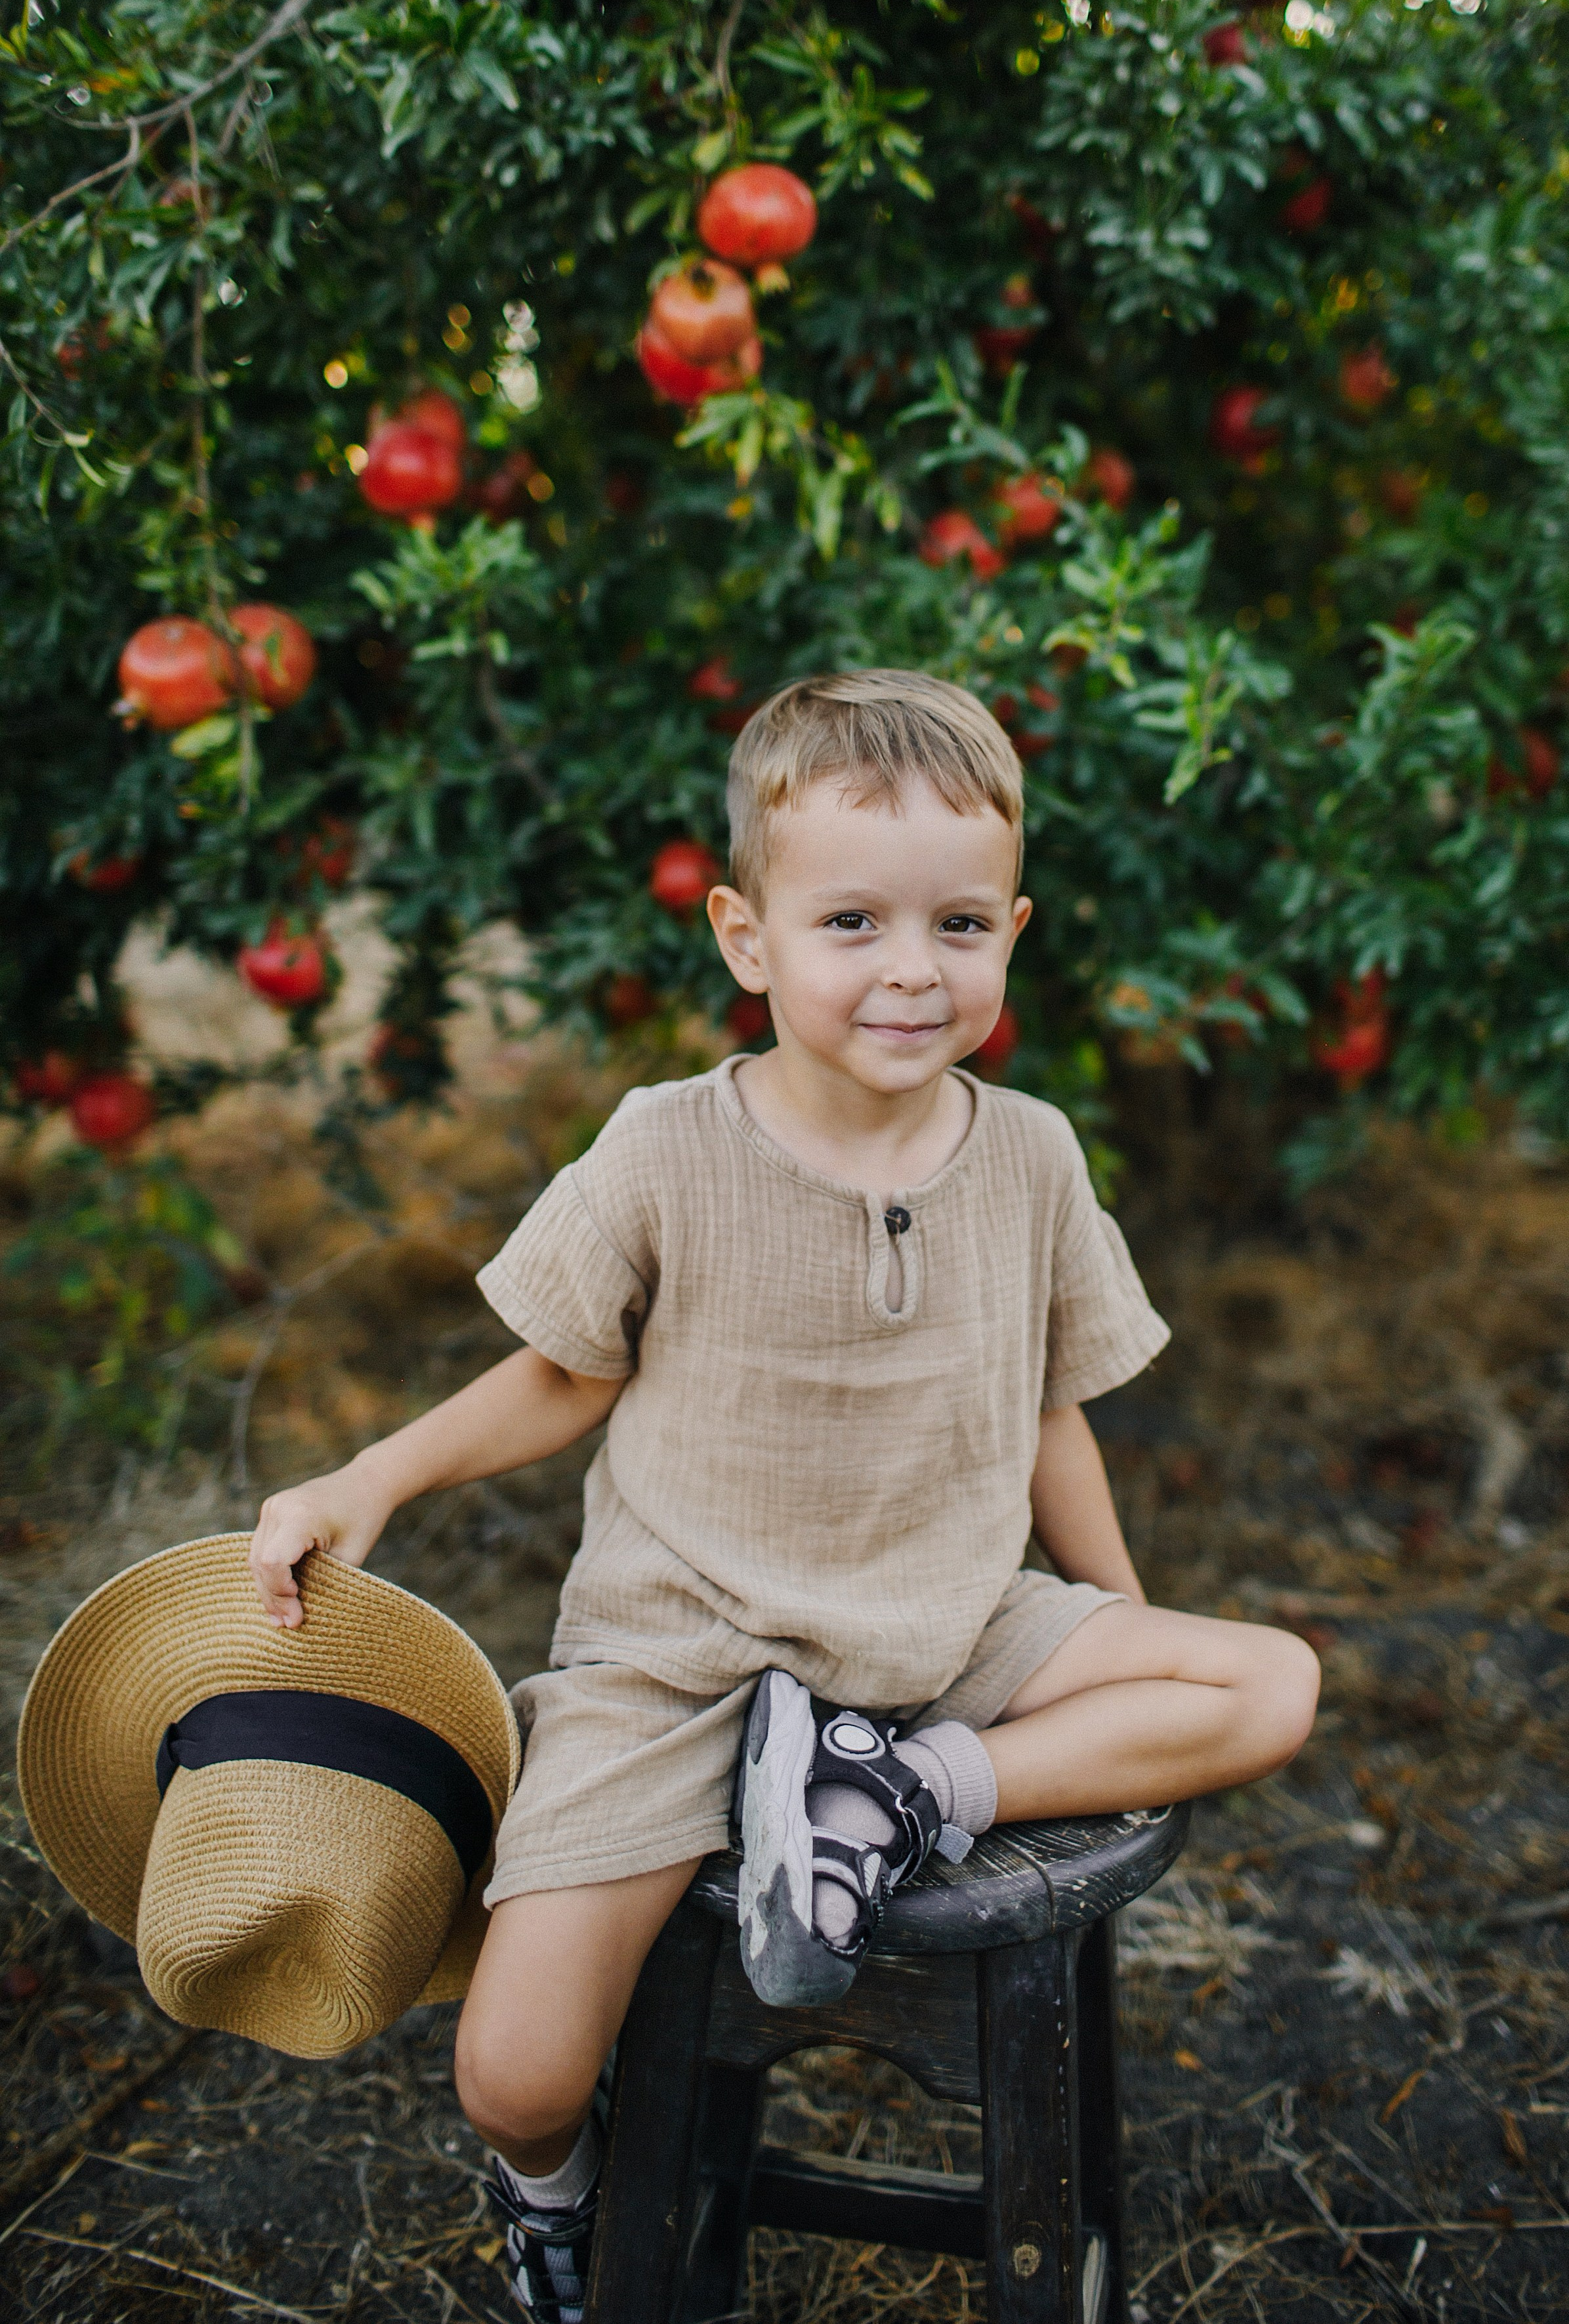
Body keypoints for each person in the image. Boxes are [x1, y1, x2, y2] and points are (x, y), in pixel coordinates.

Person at [249, 669, 1320, 2322]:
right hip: (678, 1658)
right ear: (747, 940)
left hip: (948, 1633)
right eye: (850, 924)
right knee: (513, 2073)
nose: (911, 969)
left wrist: (1114, 1611)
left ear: (1012, 931)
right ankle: (559, 2199)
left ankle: (897, 1791)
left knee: (1266, 1682)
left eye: (958, 925)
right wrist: (367, 1475)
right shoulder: (665, 1148)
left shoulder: (1030, 1156)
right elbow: (561, 1377)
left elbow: (1047, 1412)